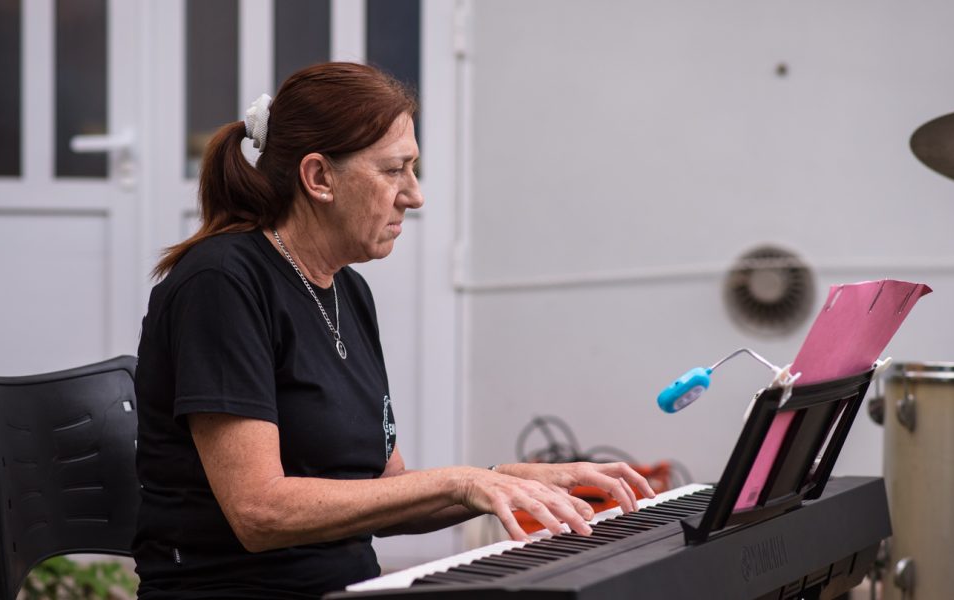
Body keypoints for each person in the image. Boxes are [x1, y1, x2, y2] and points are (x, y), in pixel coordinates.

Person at [132, 62, 654, 599]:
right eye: (393, 170)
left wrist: (504, 478)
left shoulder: (348, 290)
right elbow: (259, 511)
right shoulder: (222, 283)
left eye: (414, 169)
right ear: (318, 178)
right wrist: (461, 481)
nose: (414, 194)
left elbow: (386, 492)